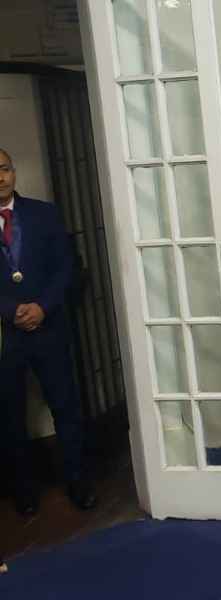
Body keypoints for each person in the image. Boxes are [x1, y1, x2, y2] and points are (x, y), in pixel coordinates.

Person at [0, 148, 95, 516]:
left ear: (14, 172)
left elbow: (65, 265)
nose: (0, 178)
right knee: (10, 416)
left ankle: (79, 483)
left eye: (5, 169)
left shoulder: (45, 213)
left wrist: (43, 306)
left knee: (66, 407)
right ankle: (25, 490)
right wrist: (10, 311)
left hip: (48, 326)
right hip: (6, 335)